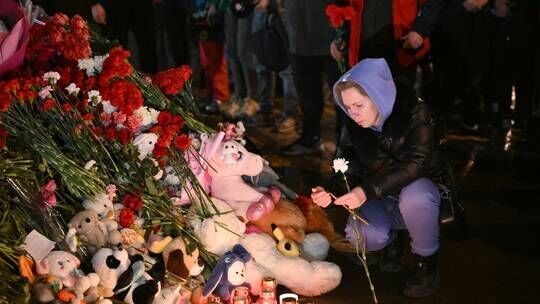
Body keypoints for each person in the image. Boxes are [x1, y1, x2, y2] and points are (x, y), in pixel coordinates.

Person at [311, 58, 442, 298]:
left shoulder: (415, 111)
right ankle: (392, 240)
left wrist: (364, 191)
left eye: (358, 105)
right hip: (380, 195)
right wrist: (331, 190)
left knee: (417, 197)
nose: (353, 113)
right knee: (363, 235)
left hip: (419, 191)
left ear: (378, 95)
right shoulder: (353, 123)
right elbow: (344, 163)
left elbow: (416, 163)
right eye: (347, 107)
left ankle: (426, 261)